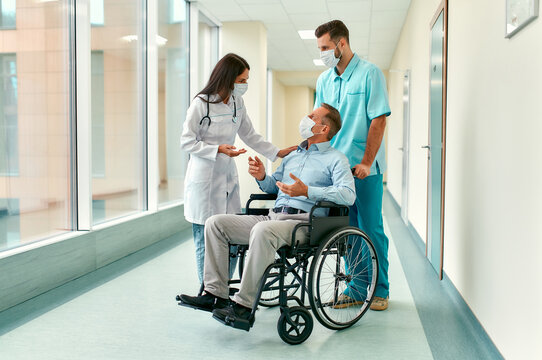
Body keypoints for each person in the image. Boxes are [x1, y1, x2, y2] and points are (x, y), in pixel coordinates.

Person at [178, 104, 356, 326]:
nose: (306, 119)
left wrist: (308, 191)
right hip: (273, 218)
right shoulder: (293, 156)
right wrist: (262, 177)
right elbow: (275, 187)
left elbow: (348, 195)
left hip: (302, 224)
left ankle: (243, 307)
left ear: (324, 129)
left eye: (312, 117)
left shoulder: (336, 159)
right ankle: (215, 295)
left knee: (263, 231)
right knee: (215, 223)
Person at [180, 53, 296, 284]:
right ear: (228, 77)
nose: (244, 85)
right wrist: (217, 149)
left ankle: (221, 287)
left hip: (227, 177)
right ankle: (209, 291)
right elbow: (186, 141)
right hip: (204, 177)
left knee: (231, 238)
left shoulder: (237, 103)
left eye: (246, 80)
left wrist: (276, 152)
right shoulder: (201, 103)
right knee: (204, 240)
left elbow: (249, 135)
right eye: (241, 80)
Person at [314, 20, 392, 311]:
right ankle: (357, 287)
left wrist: (367, 163)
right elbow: (320, 125)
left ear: (341, 44)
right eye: (319, 48)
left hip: (364, 169)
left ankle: (380, 290)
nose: (322, 52)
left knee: (371, 229)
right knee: (345, 231)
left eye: (325, 47)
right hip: (335, 170)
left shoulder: (370, 74)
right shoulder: (323, 81)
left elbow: (378, 119)